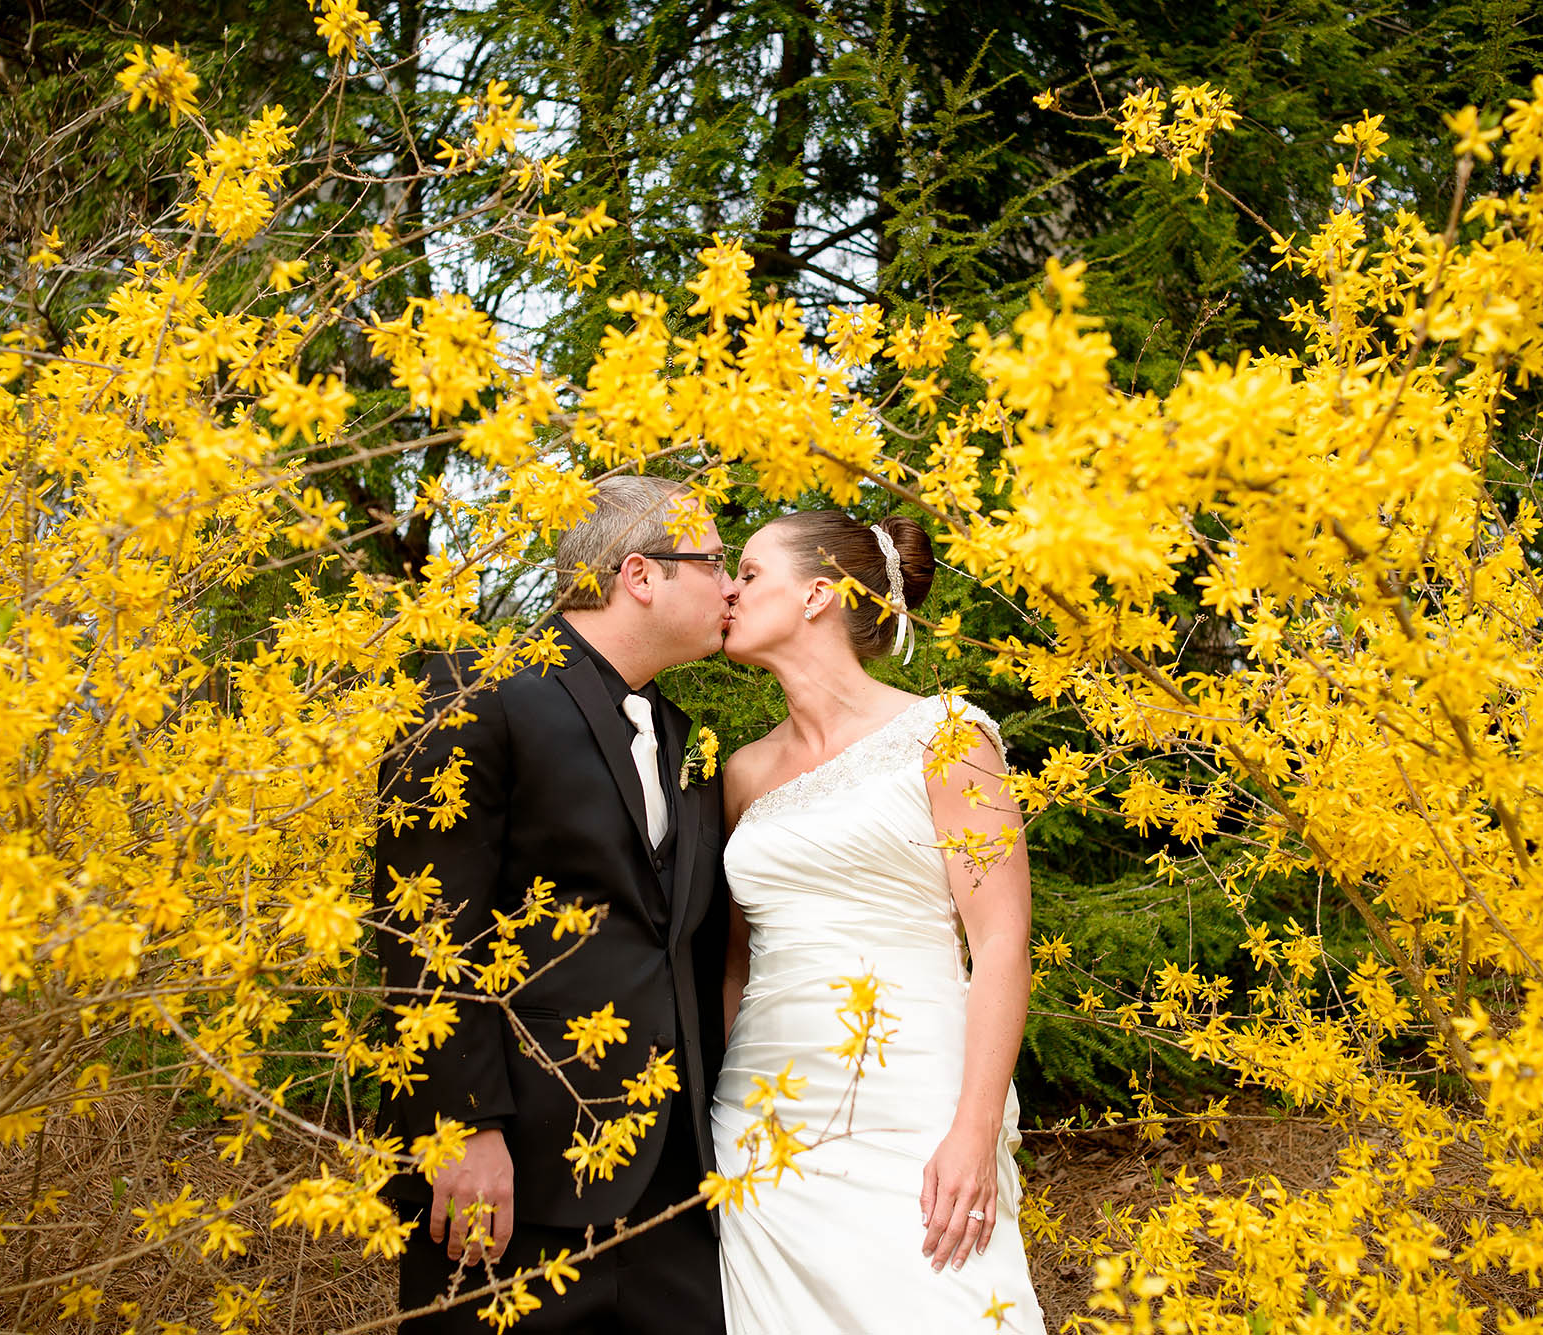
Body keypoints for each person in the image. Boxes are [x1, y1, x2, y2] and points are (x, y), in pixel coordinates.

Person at [371, 475, 735, 1333]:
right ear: (641, 574)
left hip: (675, 1188)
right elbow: (424, 925)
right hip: (513, 1179)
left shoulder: (684, 736)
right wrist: (462, 1127)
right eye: (716, 561)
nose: (732, 585)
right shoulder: (472, 694)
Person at [711, 510, 1047, 1334]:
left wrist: (973, 1128)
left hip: (916, 1104)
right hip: (763, 1120)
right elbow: (734, 965)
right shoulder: (741, 774)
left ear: (818, 594)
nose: (727, 589)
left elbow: (1001, 941)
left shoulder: (945, 738)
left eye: (749, 574)